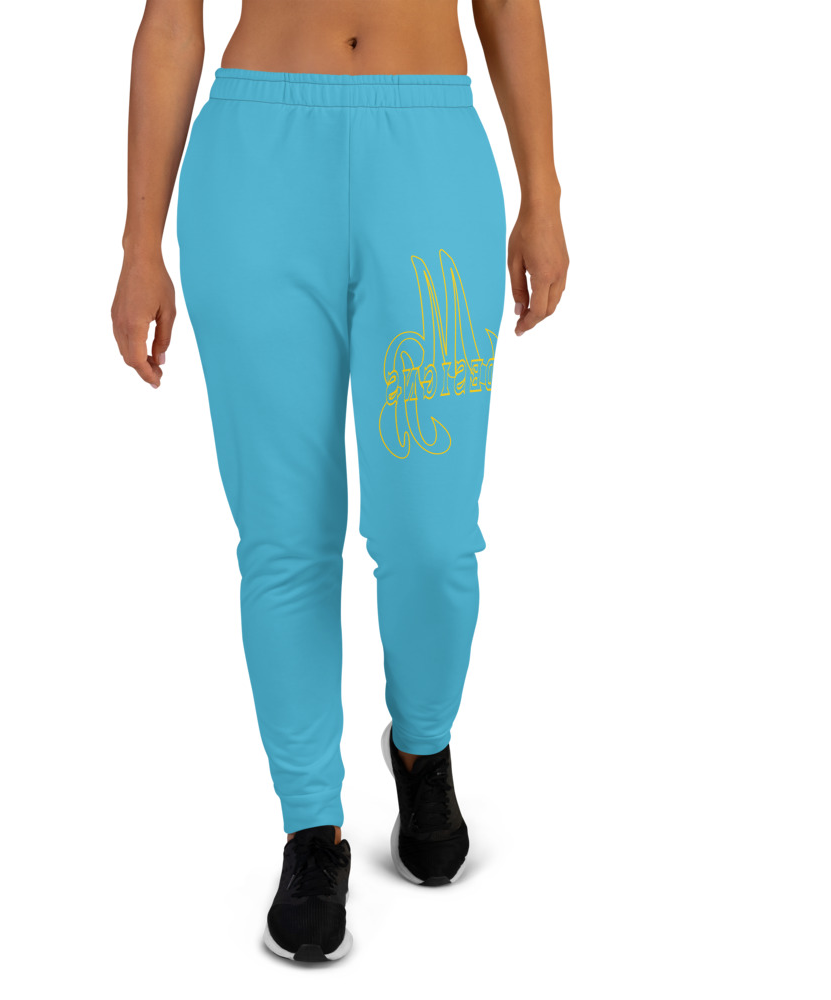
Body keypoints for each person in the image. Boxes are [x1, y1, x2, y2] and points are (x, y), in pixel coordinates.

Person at [110, 0, 569, 963]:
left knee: (432, 536)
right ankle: (312, 829)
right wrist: (138, 244)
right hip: (255, 168)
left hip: (430, 157)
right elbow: (170, 23)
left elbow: (506, 4)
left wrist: (545, 194)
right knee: (284, 537)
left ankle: (421, 744)